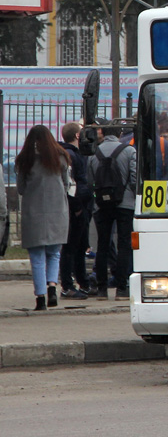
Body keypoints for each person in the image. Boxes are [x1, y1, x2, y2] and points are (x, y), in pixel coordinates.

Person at [15, 125, 71, 310]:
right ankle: (52, 287)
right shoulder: (60, 156)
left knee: (37, 256)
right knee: (54, 253)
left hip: (34, 212)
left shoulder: (25, 159)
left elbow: (21, 188)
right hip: (57, 210)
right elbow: (66, 183)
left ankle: (40, 297)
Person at [89, 120, 137, 300]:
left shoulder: (95, 153)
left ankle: (102, 290)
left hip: (101, 205)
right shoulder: (129, 151)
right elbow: (134, 177)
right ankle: (122, 288)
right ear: (120, 134)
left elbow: (89, 180)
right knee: (124, 244)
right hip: (125, 203)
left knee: (103, 244)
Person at [58, 122, 92, 299]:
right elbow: (72, 184)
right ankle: (67, 285)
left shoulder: (74, 154)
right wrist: (78, 207)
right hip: (75, 207)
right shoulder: (71, 155)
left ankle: (83, 282)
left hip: (78, 206)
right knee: (71, 247)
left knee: (79, 247)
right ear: (78, 136)